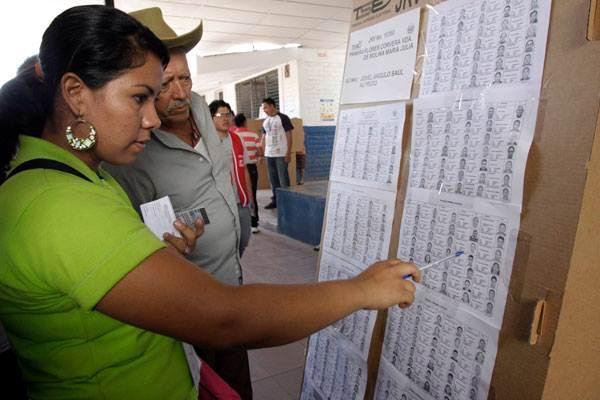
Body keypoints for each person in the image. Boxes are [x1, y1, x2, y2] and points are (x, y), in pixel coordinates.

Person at [0, 5, 421, 400]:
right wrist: (360, 290)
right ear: (75, 93)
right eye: (139, 97)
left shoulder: (83, 175)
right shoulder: (57, 204)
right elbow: (226, 318)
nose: (151, 117)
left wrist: (156, 255)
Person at [102, 9, 254, 395]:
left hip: (233, 282)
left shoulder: (201, 107)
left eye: (185, 78)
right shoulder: (132, 155)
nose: (181, 93)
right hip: (192, 307)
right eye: (165, 85)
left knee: (239, 385)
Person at [209, 100, 253, 259]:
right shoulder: (205, 142)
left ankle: (235, 269)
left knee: (243, 239)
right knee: (223, 243)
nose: (225, 118)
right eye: (221, 115)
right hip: (218, 203)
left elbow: (245, 169)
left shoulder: (237, 139)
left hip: (239, 200)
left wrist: (251, 200)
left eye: (228, 114)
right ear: (211, 118)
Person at [261, 97, 293, 209]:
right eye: (263, 108)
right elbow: (264, 136)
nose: (264, 110)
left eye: (265, 107)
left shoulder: (283, 118)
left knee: (283, 178)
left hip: (281, 153)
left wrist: (288, 152)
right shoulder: (265, 121)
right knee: (272, 179)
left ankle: (287, 201)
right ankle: (276, 200)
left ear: (272, 106)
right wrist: (261, 151)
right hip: (269, 154)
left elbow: (289, 135)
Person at [234, 113, 261, 233]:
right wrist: (254, 155)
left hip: (237, 168)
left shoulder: (233, 136)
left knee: (238, 195)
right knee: (252, 194)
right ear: (245, 122)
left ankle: (239, 223)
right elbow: (260, 151)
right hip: (251, 167)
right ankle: (254, 223)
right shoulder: (253, 135)